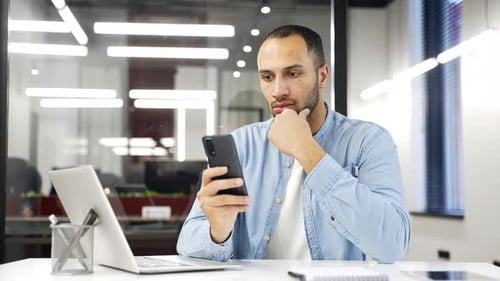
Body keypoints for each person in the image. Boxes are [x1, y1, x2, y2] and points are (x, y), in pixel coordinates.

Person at [177, 25, 410, 263]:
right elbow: (187, 243)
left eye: (293, 74)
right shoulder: (242, 144)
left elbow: (391, 246)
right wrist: (218, 231)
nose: (278, 91)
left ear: (322, 75)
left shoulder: (368, 141)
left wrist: (307, 151)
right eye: (268, 77)